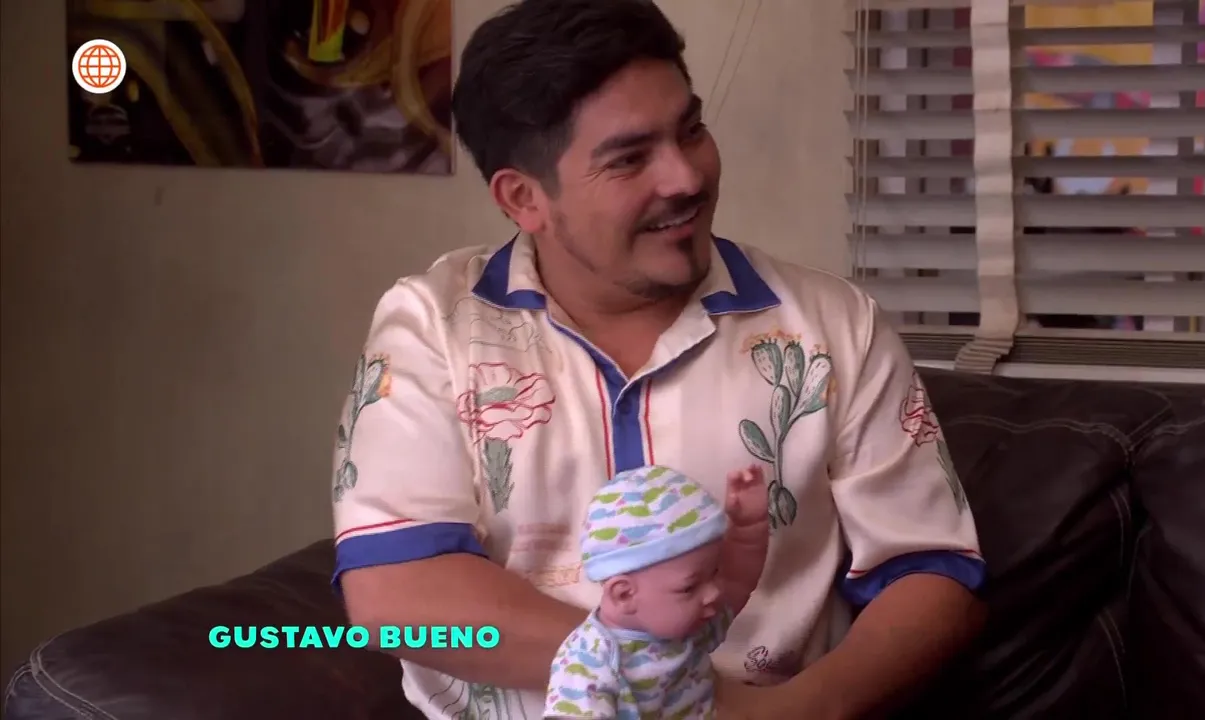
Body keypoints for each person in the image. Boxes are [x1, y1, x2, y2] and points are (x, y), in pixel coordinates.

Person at [332, 0, 987, 718]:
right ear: (524, 198)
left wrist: (800, 711)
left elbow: (931, 571)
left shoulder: (833, 326)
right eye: (629, 158)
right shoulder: (434, 328)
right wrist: (684, 694)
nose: (685, 177)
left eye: (692, 130)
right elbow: (397, 595)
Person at [544, 464, 769, 718]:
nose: (714, 592)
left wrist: (748, 528)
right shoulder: (588, 660)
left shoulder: (690, 631)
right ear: (624, 594)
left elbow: (737, 581)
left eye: (714, 572)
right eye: (690, 587)